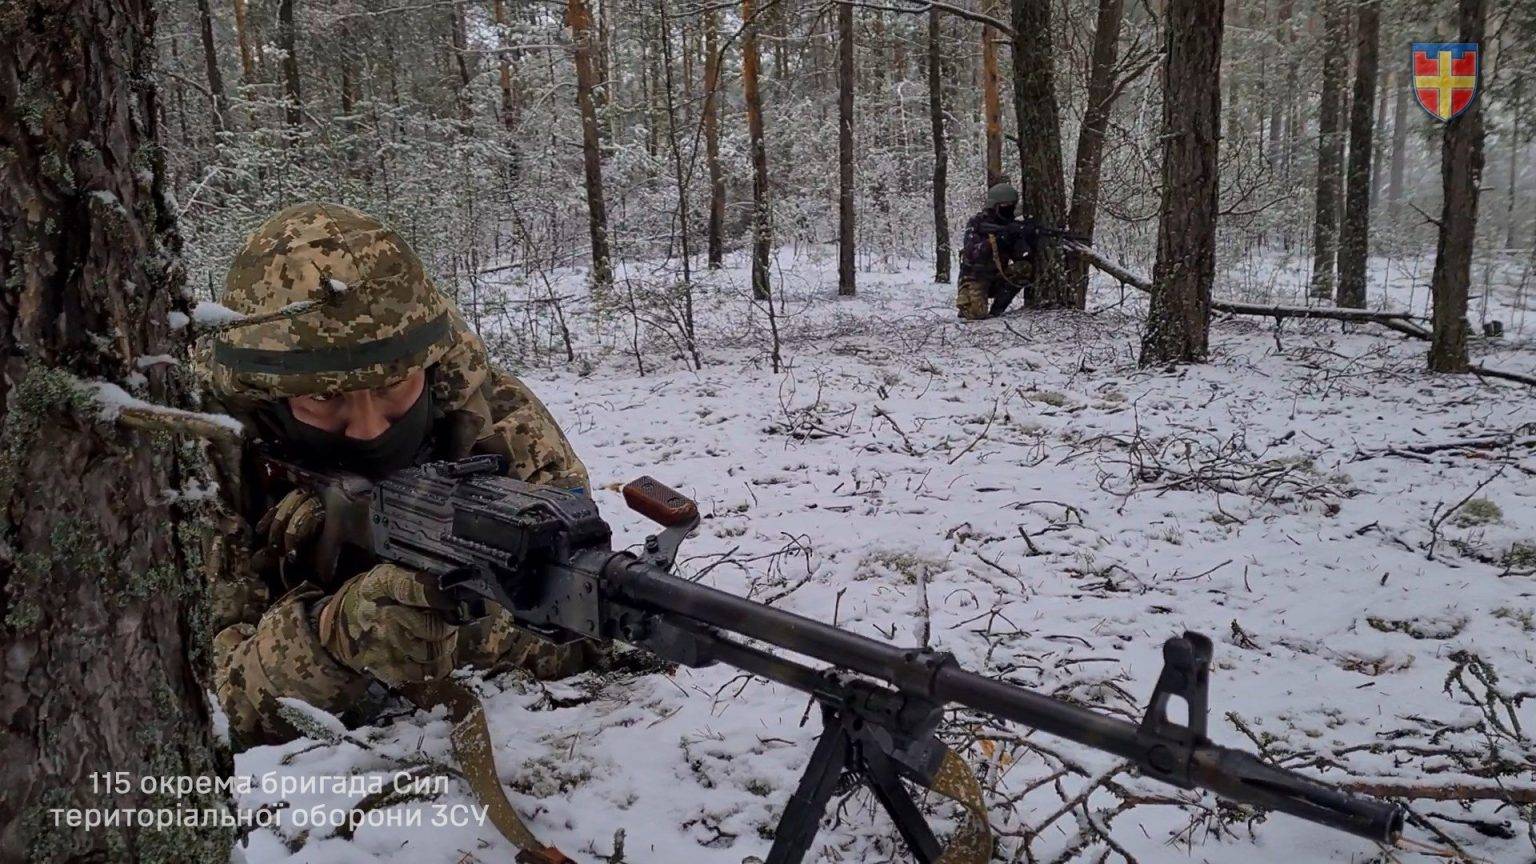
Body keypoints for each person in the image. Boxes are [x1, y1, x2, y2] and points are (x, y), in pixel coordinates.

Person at [201, 202, 600, 749]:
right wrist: (333, 638)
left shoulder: (496, 421)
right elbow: (201, 703)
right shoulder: (203, 468)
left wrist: (467, 623)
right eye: (324, 397)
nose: (368, 429)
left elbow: (582, 631)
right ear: (265, 396)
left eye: (394, 386)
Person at [956, 182, 1036, 320]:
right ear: (994, 206)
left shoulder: (1010, 225)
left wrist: (1024, 239)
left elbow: (1020, 257)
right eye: (1005, 206)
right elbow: (971, 253)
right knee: (976, 315)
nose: (1009, 209)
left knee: (1024, 268)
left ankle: (997, 311)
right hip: (975, 278)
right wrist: (998, 240)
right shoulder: (978, 223)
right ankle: (968, 303)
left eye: (1011, 205)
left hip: (998, 277)